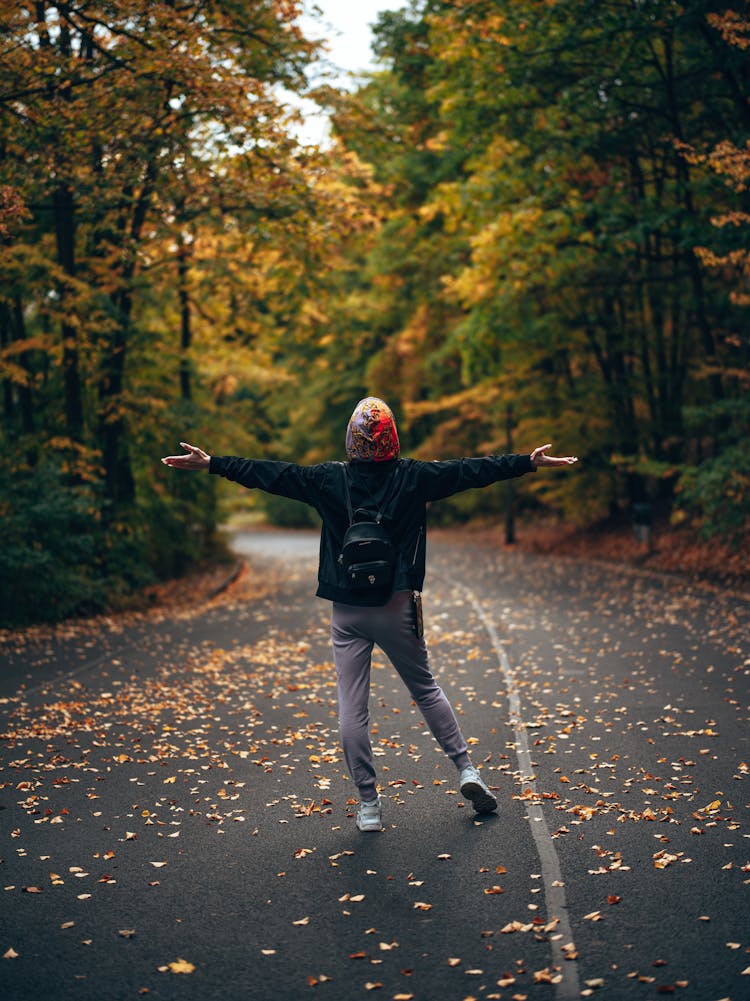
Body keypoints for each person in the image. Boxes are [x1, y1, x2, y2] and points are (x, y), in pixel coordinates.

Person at [162, 397, 577, 832]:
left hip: (348, 609)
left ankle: (368, 805)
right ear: (393, 437)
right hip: (396, 603)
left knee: (352, 709)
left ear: (350, 439)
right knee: (426, 689)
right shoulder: (415, 478)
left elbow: (272, 474)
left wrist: (214, 464)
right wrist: (525, 462)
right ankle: (467, 770)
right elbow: (469, 470)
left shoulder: (327, 479)